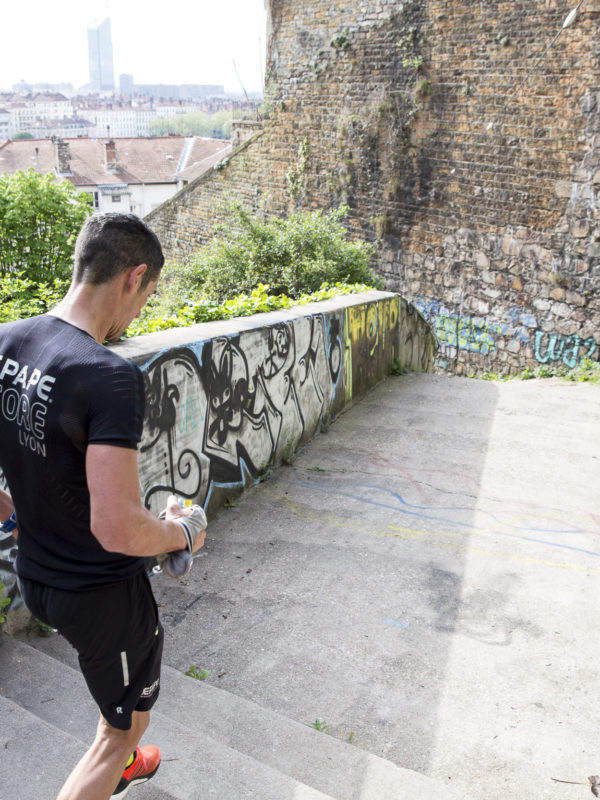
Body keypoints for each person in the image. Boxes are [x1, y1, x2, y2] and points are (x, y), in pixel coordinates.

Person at [0, 213, 206, 800]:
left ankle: (127, 757)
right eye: (146, 297)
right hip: (98, 593)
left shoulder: (7, 340)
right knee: (118, 731)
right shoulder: (106, 376)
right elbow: (115, 527)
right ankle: (116, 762)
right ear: (134, 277)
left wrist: (15, 514)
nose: (137, 313)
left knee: (126, 704)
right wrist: (182, 534)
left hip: (36, 573)